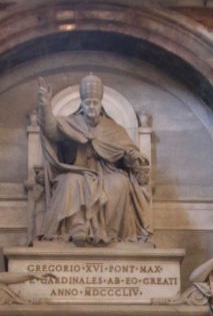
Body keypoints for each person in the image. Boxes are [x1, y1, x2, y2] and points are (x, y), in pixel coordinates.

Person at [35, 73, 152, 245]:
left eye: (95, 103)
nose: (91, 106)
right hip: (78, 171)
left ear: (100, 105)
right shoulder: (72, 123)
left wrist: (131, 158)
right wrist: (45, 106)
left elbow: (129, 157)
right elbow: (51, 131)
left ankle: (109, 233)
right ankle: (77, 229)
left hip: (107, 173)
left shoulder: (114, 128)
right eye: (88, 102)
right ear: (82, 104)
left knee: (120, 183)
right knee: (70, 182)